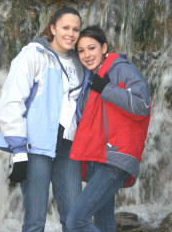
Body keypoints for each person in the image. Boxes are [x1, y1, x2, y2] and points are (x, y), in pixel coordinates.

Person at [0, 7, 84, 232]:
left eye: (76, 29)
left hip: (68, 147)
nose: (71, 34)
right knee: (35, 220)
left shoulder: (79, 61)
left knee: (74, 218)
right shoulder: (33, 55)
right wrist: (18, 150)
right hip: (35, 146)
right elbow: (12, 101)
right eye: (66, 28)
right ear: (53, 28)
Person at [66, 25, 151, 232]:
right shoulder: (90, 78)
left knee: (76, 221)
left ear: (104, 48)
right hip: (97, 157)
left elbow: (143, 105)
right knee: (103, 225)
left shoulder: (122, 68)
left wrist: (106, 88)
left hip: (114, 157)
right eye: (81, 50)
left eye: (91, 48)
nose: (87, 55)